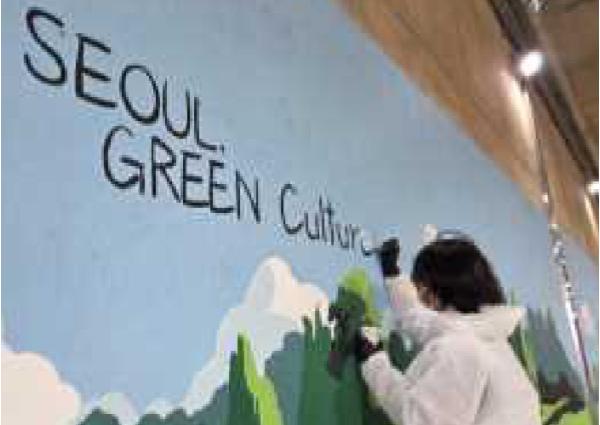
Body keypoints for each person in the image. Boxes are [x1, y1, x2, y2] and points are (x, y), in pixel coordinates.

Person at [354, 234, 541, 425]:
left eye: (419, 287)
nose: (419, 294)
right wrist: (393, 276)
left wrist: (375, 364)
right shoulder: (486, 337)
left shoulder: (459, 349)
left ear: (429, 292)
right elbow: (424, 322)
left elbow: (420, 419)